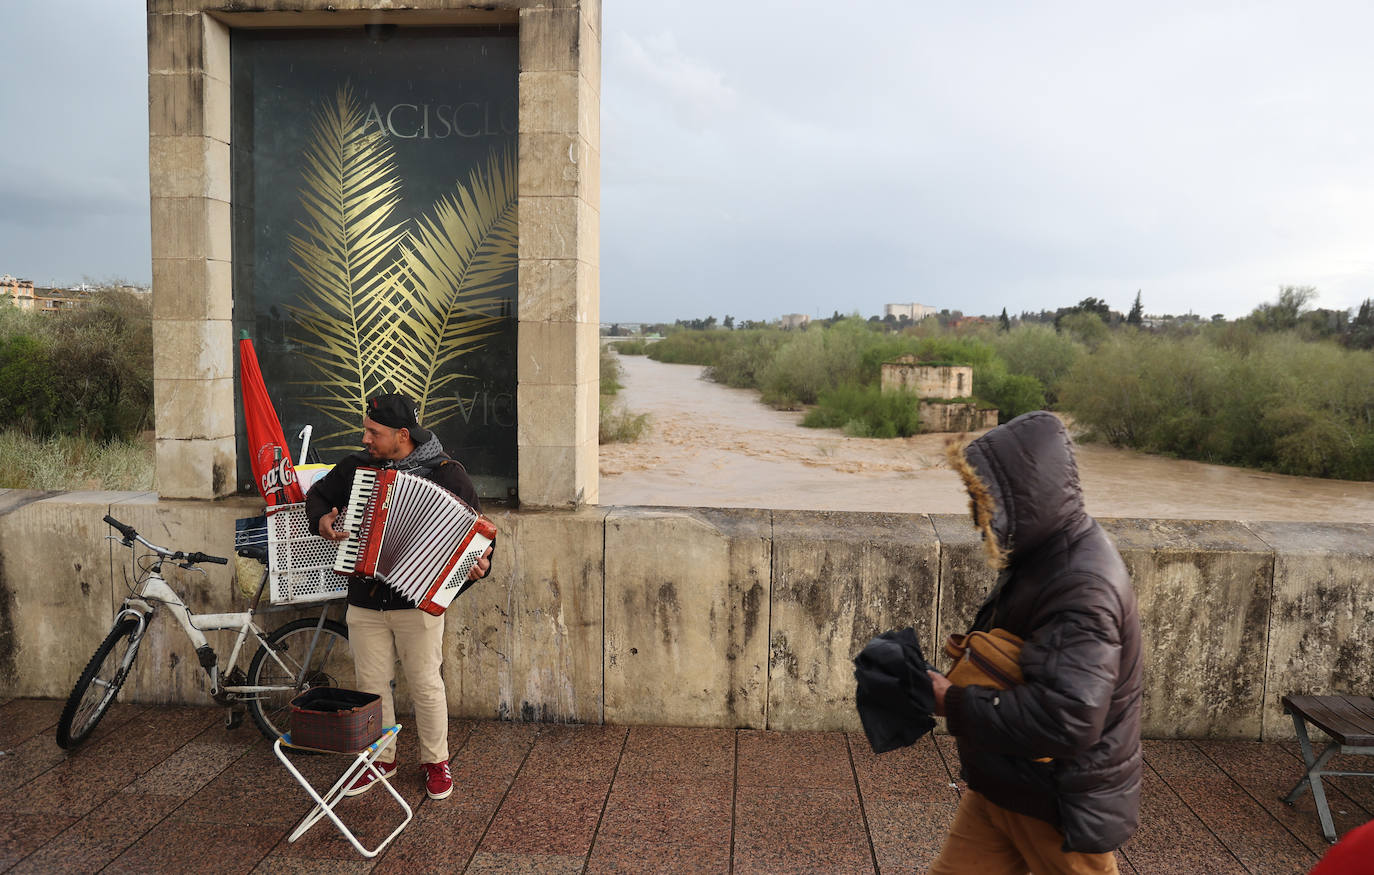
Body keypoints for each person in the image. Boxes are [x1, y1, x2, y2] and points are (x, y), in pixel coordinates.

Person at [927, 410, 1142, 875]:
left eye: (982, 497)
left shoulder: (1081, 585)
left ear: (1020, 498)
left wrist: (953, 701)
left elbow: (1069, 718)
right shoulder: (1043, 554)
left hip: (1053, 799)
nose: (976, 512)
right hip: (1007, 780)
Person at [306, 393, 493, 801]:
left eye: (374, 432)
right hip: (365, 598)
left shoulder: (449, 476)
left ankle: (436, 761)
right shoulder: (356, 467)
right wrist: (321, 518)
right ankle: (380, 759)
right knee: (371, 686)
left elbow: (479, 545)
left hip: (417, 604)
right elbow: (317, 495)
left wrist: (474, 568)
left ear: (402, 435)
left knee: (426, 684)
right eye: (366, 430)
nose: (365, 438)